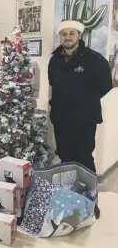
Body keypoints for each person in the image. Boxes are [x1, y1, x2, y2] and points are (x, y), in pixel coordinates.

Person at [48, 20, 113, 218]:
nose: (67, 37)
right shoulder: (55, 60)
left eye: (72, 33)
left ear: (79, 36)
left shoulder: (94, 60)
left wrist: (83, 99)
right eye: (64, 34)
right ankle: (70, 201)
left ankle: (91, 203)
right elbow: (54, 84)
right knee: (66, 158)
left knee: (83, 159)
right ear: (60, 37)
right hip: (61, 118)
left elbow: (105, 87)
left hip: (84, 119)